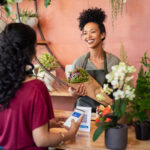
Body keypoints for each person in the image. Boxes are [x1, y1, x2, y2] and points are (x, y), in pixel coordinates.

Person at [0, 23, 83, 150]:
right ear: (30, 52)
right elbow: (41, 140)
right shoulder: (36, 88)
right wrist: (69, 134)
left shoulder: (3, 85)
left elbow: (15, 124)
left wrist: (48, 122)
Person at [69, 8, 120, 112]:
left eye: (92, 32)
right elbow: (72, 91)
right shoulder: (79, 63)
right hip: (84, 113)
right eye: (84, 33)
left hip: (107, 113)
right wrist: (75, 93)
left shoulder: (114, 62)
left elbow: (121, 93)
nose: (88, 36)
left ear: (102, 35)